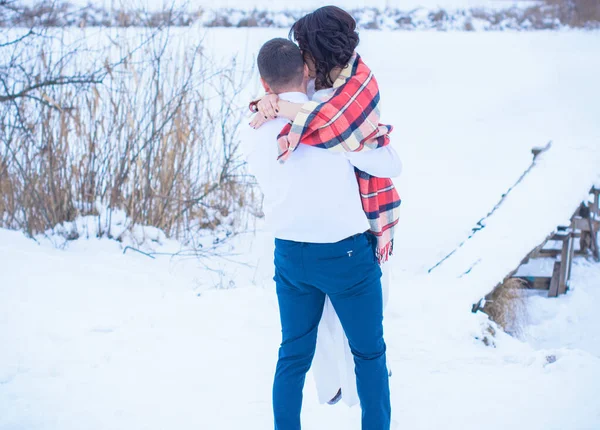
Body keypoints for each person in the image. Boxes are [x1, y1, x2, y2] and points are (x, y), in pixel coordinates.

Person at [241, 30, 401, 430]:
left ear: (264, 84)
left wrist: (274, 104)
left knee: (293, 355)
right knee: (369, 354)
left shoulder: (254, 129)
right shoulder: (334, 120)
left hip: (290, 254)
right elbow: (389, 165)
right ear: (307, 69)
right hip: (345, 255)